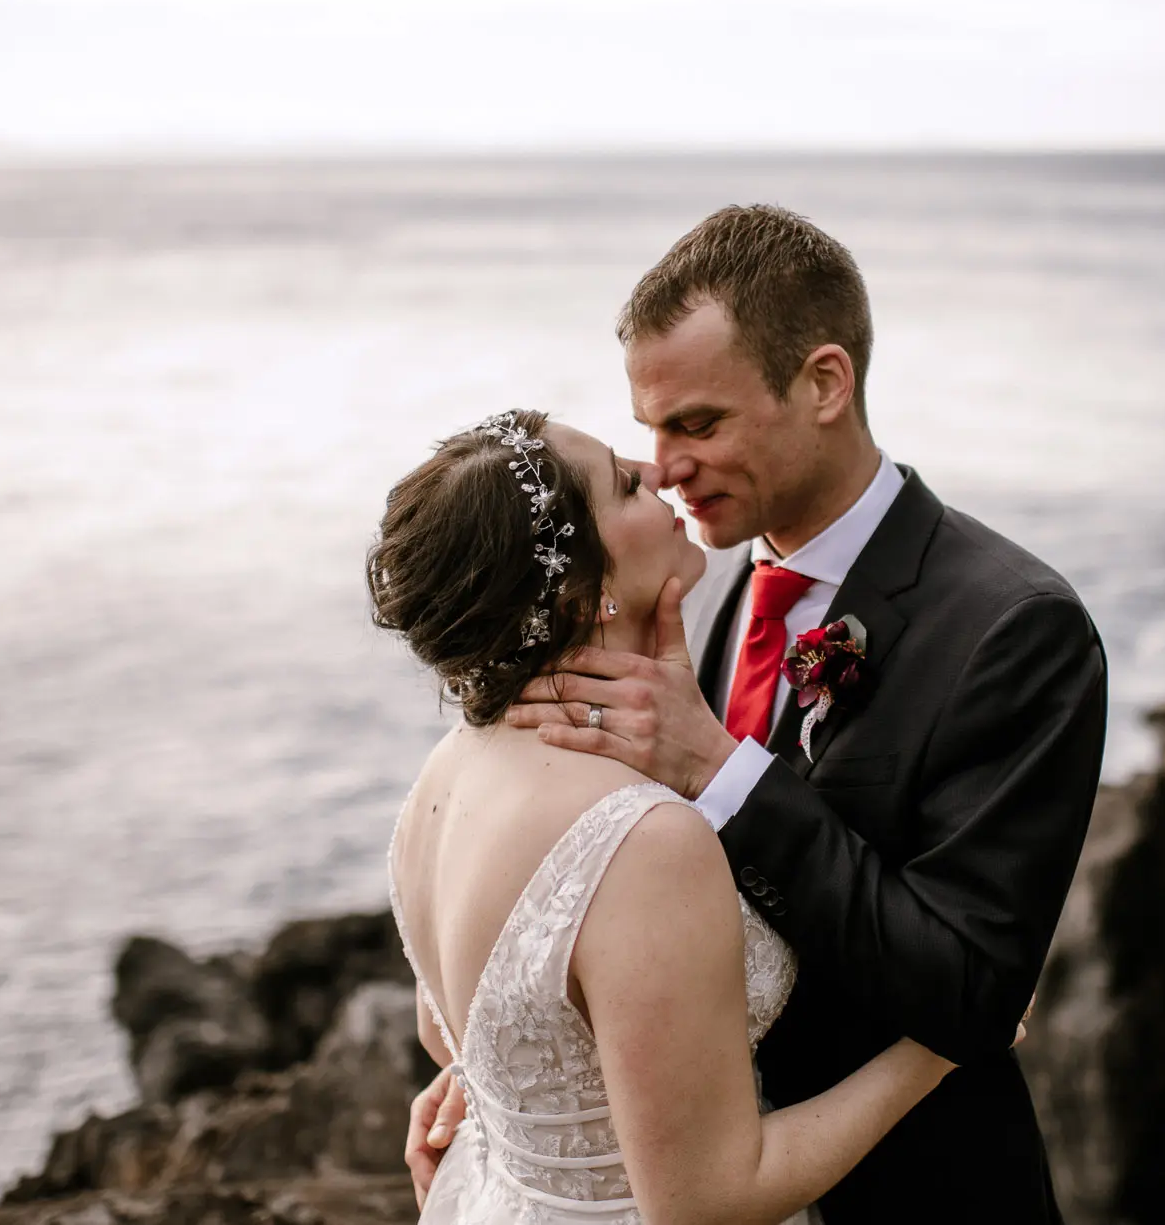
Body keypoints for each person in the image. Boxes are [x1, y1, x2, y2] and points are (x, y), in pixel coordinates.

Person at [481, 205, 1111, 1222]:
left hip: (916, 1195)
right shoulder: (725, 592)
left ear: (823, 383)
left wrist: (723, 774)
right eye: (650, 428)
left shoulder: (1014, 629)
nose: (664, 465)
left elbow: (971, 990)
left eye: (697, 423)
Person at [373, 408, 1002, 1224]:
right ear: (584, 594)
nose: (659, 472)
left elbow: (463, 1023)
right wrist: (936, 1050)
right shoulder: (641, 840)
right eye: (626, 484)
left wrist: (496, 1100)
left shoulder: (446, 772)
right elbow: (707, 1202)